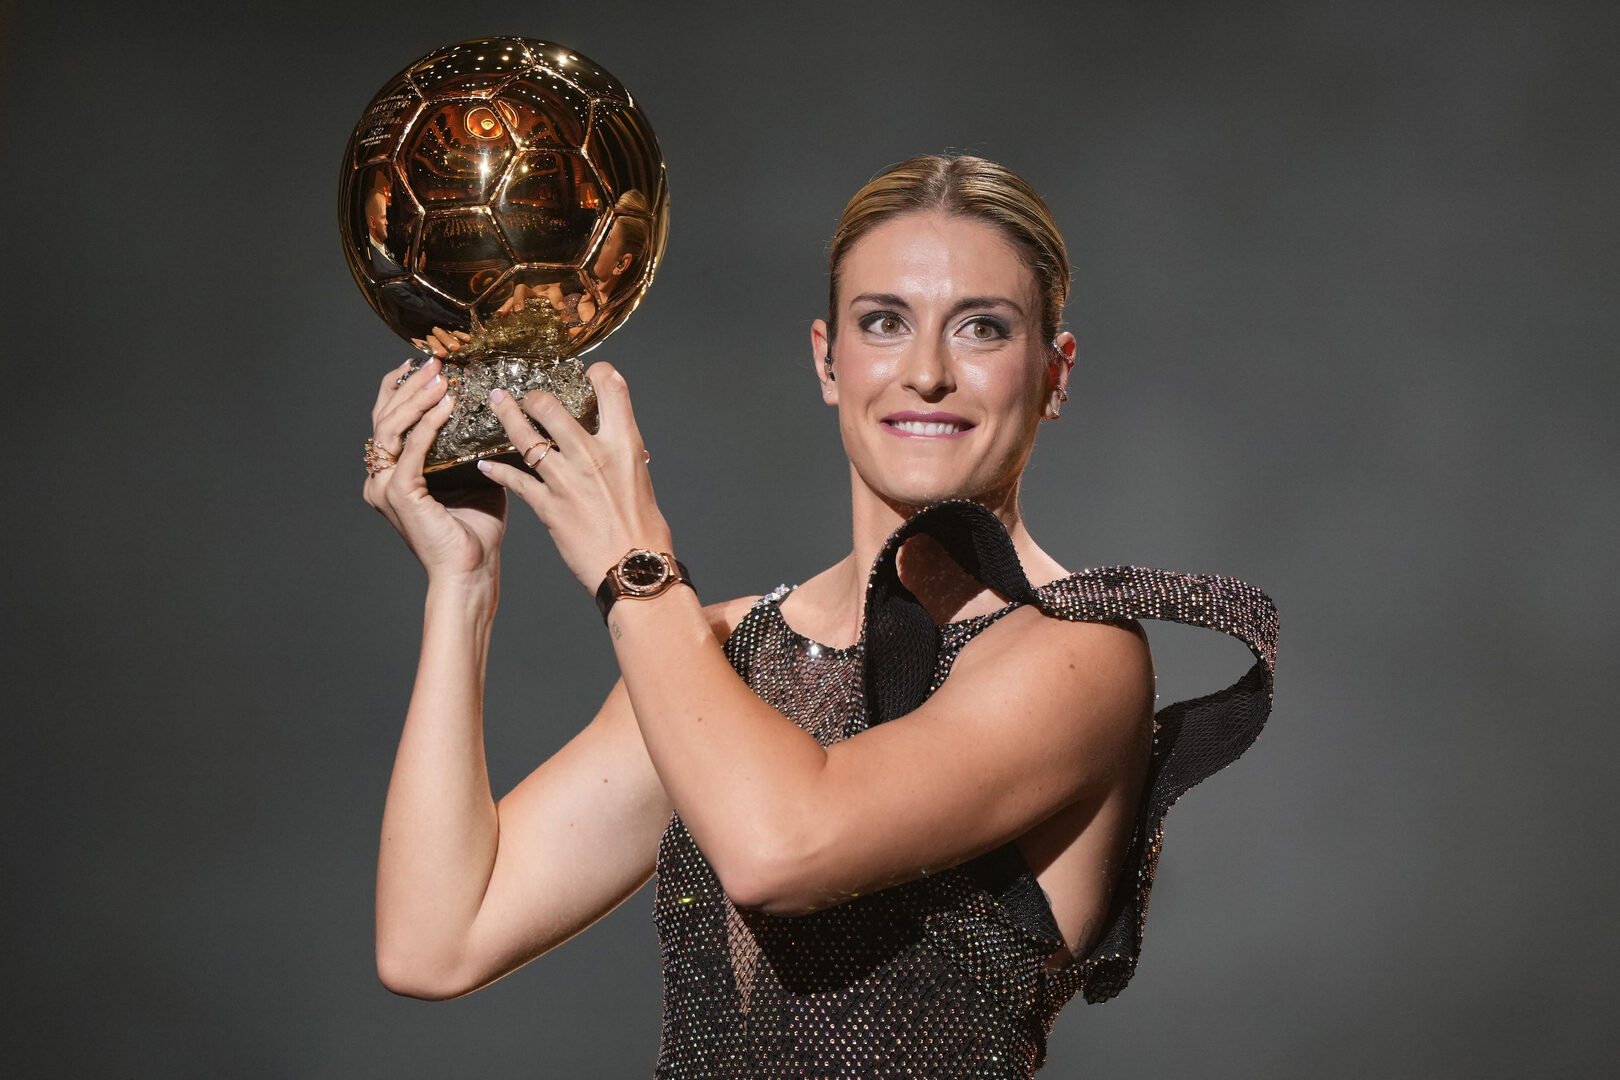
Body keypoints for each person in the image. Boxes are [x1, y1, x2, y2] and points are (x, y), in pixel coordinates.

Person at [360, 155, 1277, 1078]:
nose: (927, 373)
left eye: (982, 329)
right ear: (826, 361)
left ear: (1054, 374)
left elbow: (778, 850)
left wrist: (632, 564)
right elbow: (435, 941)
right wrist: (463, 586)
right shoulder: (714, 650)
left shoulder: (1078, 654)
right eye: (884, 323)